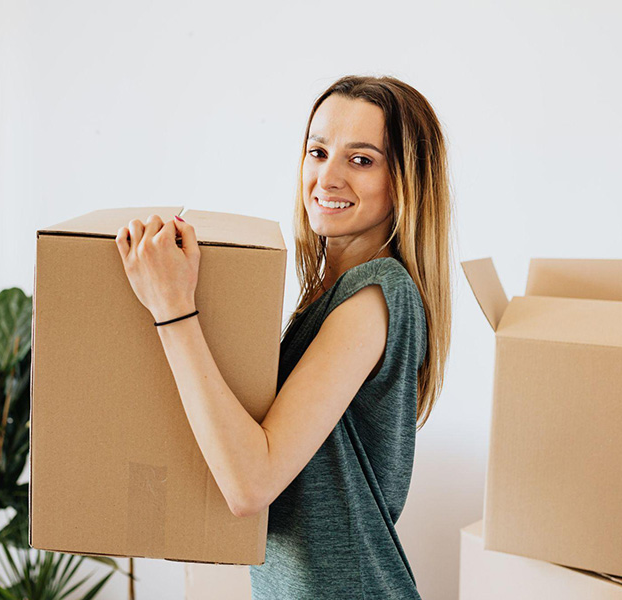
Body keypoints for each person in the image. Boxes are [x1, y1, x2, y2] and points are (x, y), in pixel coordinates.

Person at [115, 74, 454, 599]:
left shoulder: (376, 294)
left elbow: (252, 483)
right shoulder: (329, 295)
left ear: (406, 182)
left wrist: (173, 307)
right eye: (318, 151)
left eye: (361, 159)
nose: (328, 177)